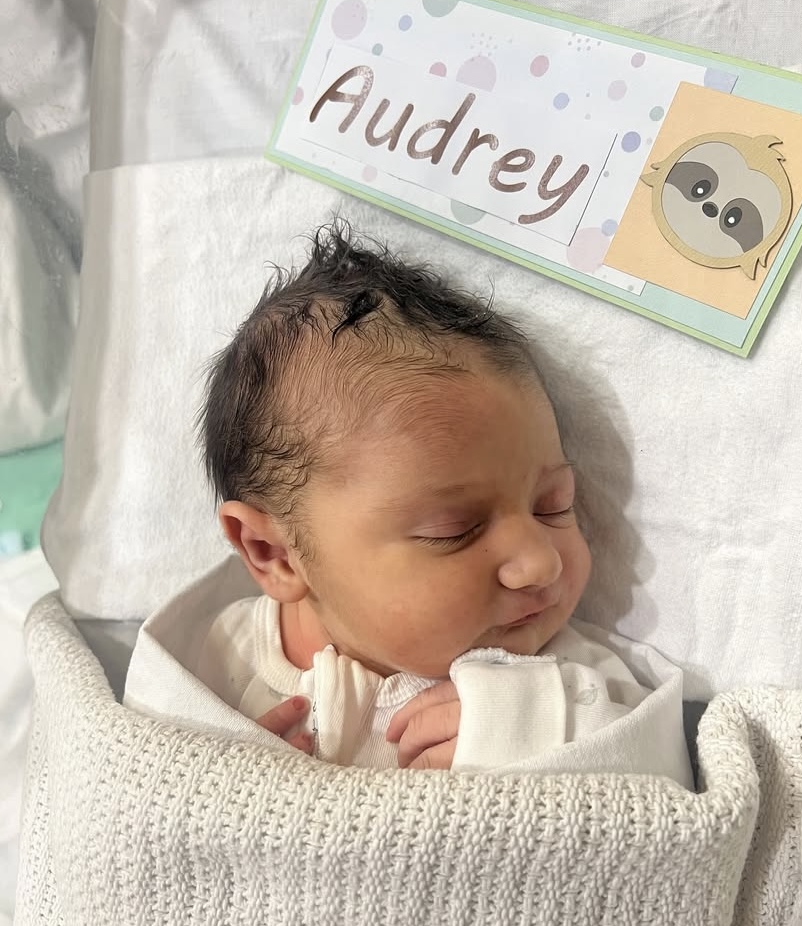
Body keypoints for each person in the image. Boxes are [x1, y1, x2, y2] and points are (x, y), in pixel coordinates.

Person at [124, 221, 692, 787]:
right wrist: (207, 783)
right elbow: (122, 793)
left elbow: (667, 795)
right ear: (274, 552)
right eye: (455, 530)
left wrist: (531, 726)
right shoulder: (207, 663)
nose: (542, 562)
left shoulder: (566, 680)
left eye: (553, 505)